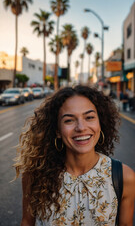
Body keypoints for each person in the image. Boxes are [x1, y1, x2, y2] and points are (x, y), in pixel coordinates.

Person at [14, 85, 135, 226]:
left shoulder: (124, 177)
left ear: (100, 123)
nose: (81, 127)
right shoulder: (34, 175)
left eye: (89, 117)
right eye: (69, 120)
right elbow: (27, 223)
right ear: (57, 131)